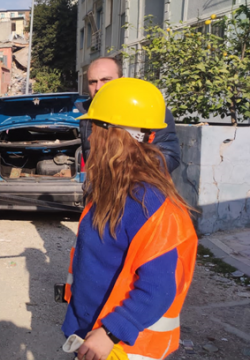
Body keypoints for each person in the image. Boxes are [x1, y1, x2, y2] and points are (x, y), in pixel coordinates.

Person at [61, 78, 198, 360]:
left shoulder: (150, 205)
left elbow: (157, 289)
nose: (88, 137)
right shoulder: (110, 190)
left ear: (117, 135)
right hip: (94, 334)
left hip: (125, 347)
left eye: (95, 128)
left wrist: (110, 332)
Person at [76, 57, 181, 172]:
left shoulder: (149, 110)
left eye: (105, 80)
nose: (98, 87)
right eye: (93, 82)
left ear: (122, 81)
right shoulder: (88, 113)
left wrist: (129, 173)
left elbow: (169, 156)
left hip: (140, 186)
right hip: (101, 188)